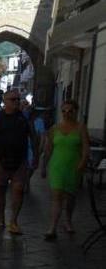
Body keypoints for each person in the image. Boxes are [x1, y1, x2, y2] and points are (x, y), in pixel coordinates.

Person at [0, 90, 35, 234]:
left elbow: (34, 137)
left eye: (18, 99)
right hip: (0, 160)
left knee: (18, 190)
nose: (16, 102)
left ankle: (14, 221)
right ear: (5, 101)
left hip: (20, 161)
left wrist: (35, 157)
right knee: (0, 191)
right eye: (13, 99)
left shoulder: (25, 118)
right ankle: (1, 220)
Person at [41, 100, 90, 240]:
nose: (67, 114)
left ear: (76, 112)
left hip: (74, 167)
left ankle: (68, 219)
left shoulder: (81, 128)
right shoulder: (55, 129)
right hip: (57, 166)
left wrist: (83, 163)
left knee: (70, 197)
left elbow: (86, 148)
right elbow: (48, 149)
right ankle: (52, 227)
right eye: (64, 111)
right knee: (57, 197)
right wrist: (44, 166)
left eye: (70, 111)